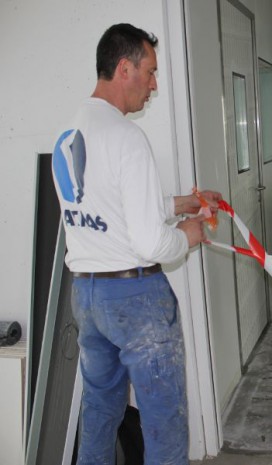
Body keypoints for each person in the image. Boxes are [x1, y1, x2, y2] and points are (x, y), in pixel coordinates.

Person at [51, 23, 221, 465]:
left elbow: (111, 210)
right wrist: (188, 234)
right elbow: (149, 242)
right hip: (136, 302)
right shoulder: (128, 138)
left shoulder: (68, 135)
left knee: (100, 413)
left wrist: (177, 203)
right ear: (124, 67)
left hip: (87, 297)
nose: (153, 85)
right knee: (164, 422)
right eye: (149, 72)